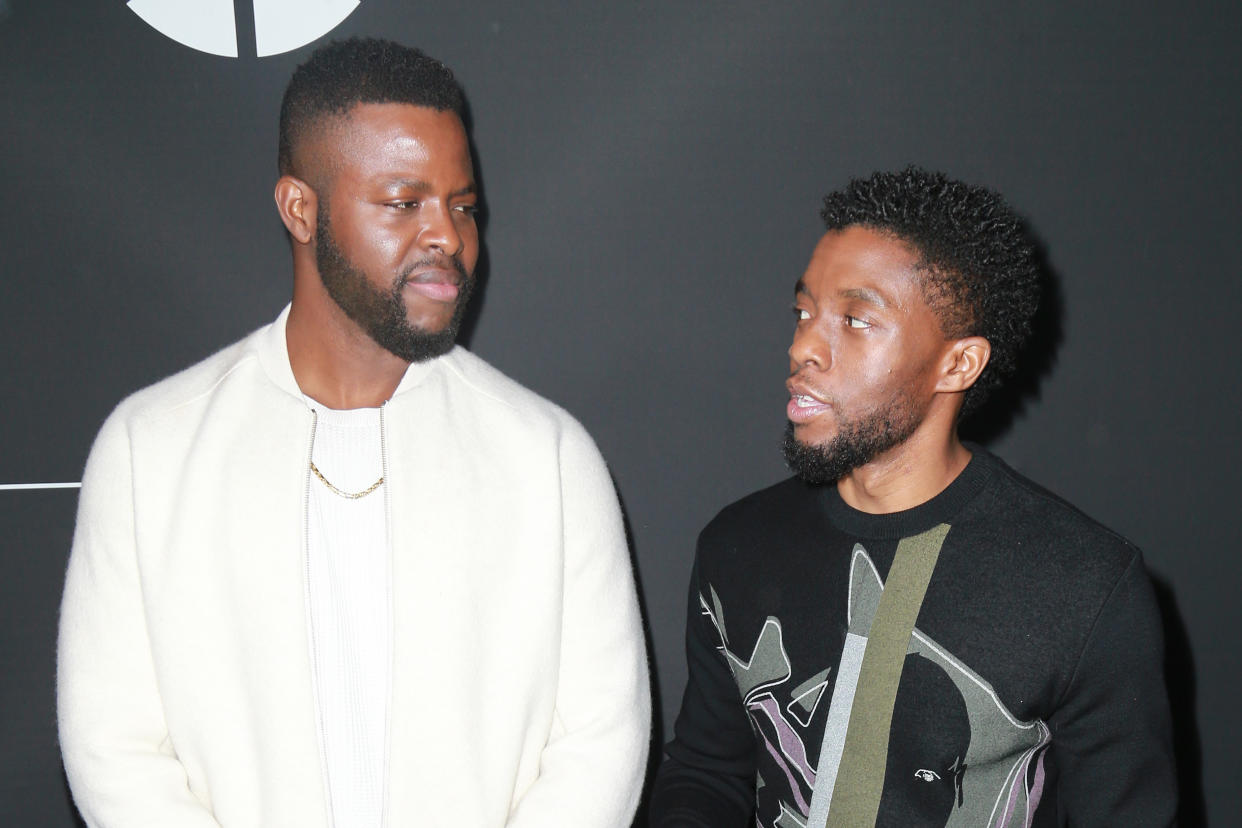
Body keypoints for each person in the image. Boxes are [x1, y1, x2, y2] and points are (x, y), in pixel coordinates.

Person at [57, 37, 650, 828]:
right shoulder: (150, 450)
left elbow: (598, 745)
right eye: (404, 203)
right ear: (301, 209)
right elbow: (116, 748)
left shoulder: (547, 458)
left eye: (463, 206)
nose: (448, 236)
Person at [648, 167, 1177, 827]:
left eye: (856, 319)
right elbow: (705, 773)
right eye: (804, 311)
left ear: (959, 364)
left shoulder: (1085, 584)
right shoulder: (738, 544)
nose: (802, 346)